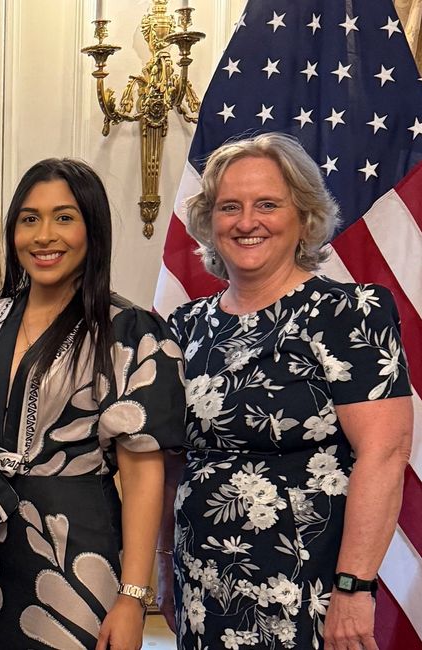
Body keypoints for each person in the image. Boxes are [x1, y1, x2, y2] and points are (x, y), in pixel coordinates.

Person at [162, 132, 412, 649]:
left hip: (308, 585)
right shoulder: (186, 326)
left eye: (268, 205)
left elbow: (384, 455)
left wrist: (354, 588)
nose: (247, 221)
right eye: (229, 206)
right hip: (202, 582)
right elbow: (171, 462)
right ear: (210, 222)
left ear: (303, 217)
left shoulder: (349, 313)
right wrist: (164, 567)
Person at [0, 159, 185, 650]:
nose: (44, 236)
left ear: (92, 229)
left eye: (64, 217)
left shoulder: (129, 330)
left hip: (80, 557)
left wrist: (132, 597)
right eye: (29, 218)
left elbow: (145, 475)